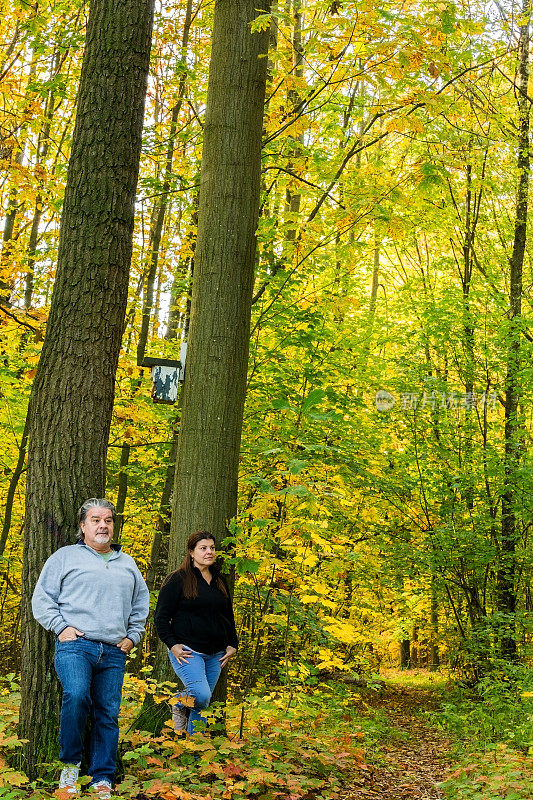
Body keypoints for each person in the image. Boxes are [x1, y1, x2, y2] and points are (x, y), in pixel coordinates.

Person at [32, 498, 149, 799]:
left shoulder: (127, 563)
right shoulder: (65, 557)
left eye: (108, 520)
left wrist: (133, 635)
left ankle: (102, 778)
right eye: (95, 520)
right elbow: (42, 599)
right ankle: (70, 768)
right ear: (83, 526)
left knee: (107, 713)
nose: (103, 525)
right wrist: (61, 626)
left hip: (113, 650)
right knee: (77, 695)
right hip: (76, 646)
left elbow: (140, 604)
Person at [154, 531, 238, 735]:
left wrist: (233, 643)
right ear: (191, 552)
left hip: (216, 653)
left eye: (212, 548)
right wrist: (172, 645)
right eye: (203, 548)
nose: (209, 552)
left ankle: (194, 747)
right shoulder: (178, 579)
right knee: (200, 695)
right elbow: (160, 617)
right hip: (188, 650)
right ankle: (180, 702)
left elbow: (228, 615)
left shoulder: (219, 579)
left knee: (203, 702)